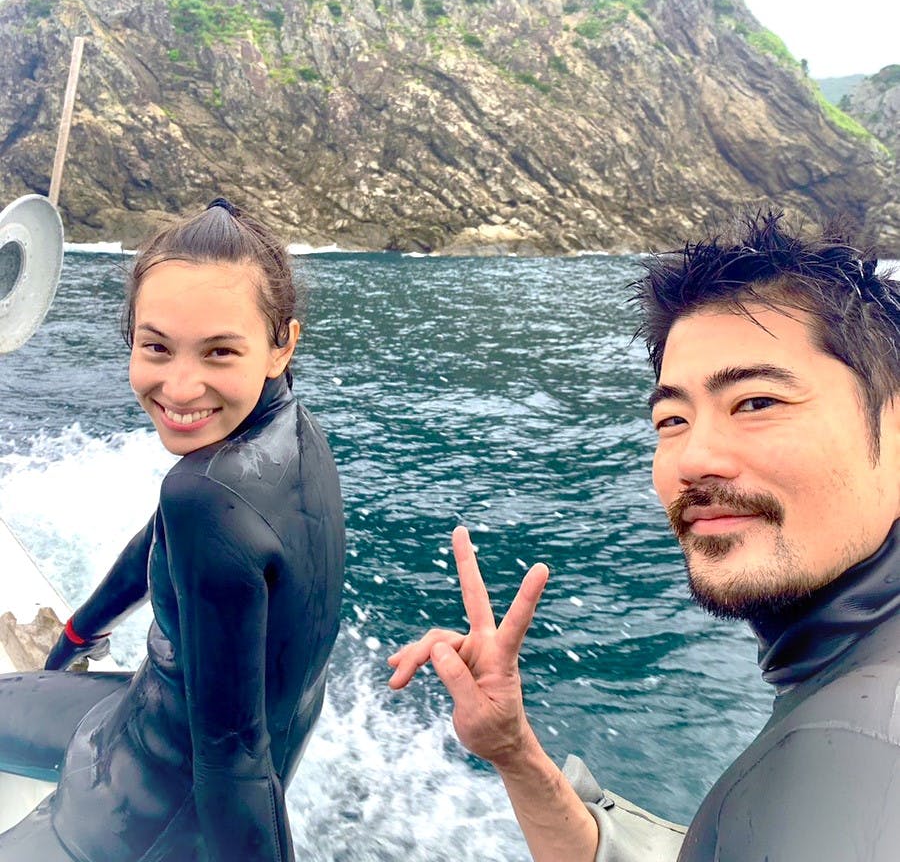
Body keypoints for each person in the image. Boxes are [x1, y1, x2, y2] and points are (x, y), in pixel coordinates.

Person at [388, 209, 900, 861]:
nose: (693, 459)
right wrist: (512, 750)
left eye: (757, 402)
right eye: (672, 420)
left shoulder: (847, 755)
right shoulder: (844, 698)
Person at [0, 199, 346, 862]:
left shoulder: (206, 495)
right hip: (139, 721)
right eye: (157, 347)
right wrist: (82, 630)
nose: (181, 388)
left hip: (136, 818)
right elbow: (154, 543)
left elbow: (235, 761)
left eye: (220, 351)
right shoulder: (291, 436)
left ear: (282, 345)